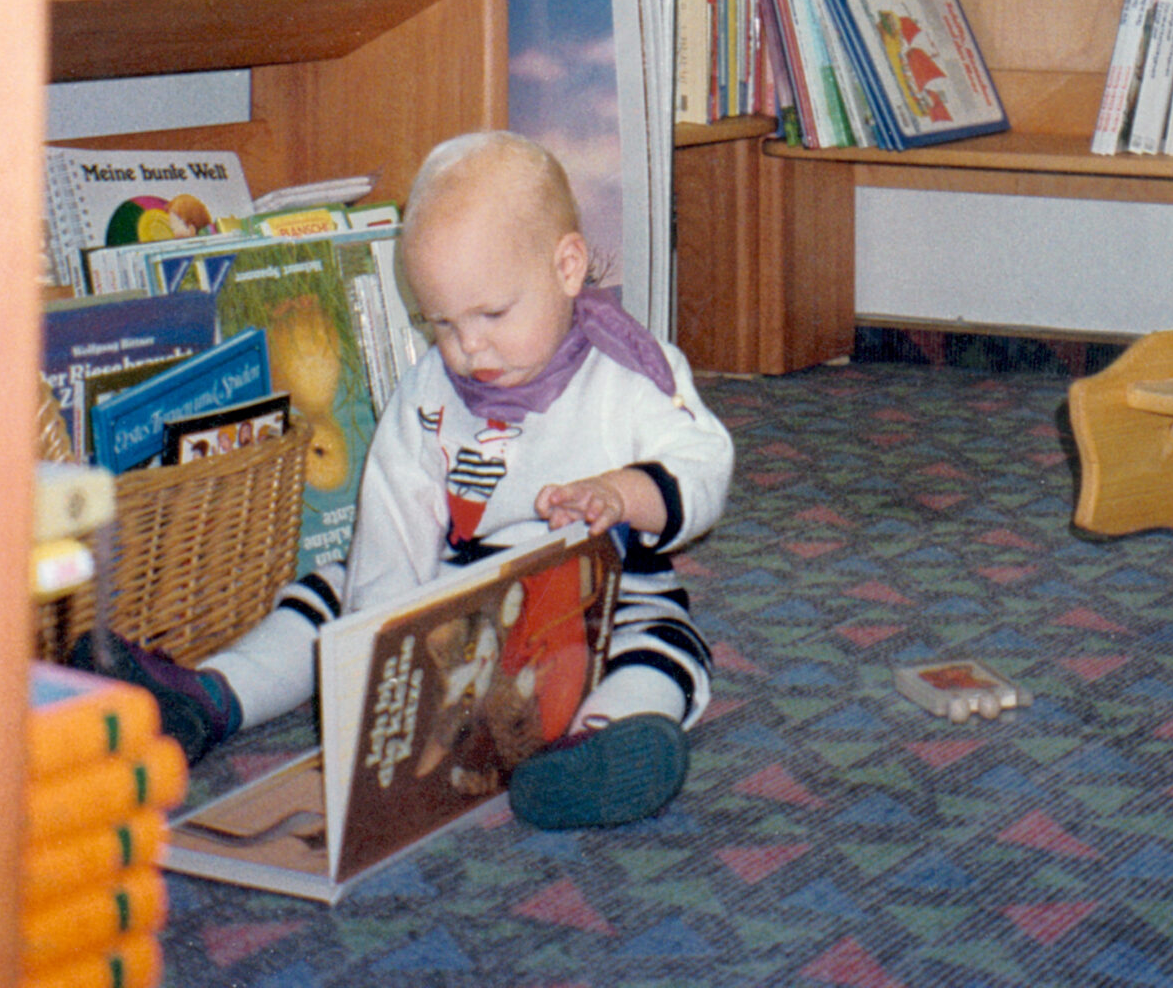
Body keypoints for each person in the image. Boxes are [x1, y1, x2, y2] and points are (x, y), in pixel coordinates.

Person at [78, 130, 733, 831]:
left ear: (567, 267)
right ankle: (212, 696)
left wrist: (623, 492)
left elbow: (703, 465)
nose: (468, 346)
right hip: (458, 598)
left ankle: (605, 739)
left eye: (492, 314)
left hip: (595, 597)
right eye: (440, 323)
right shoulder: (428, 391)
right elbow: (392, 523)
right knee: (333, 588)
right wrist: (379, 648)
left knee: (662, 641)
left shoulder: (631, 374)